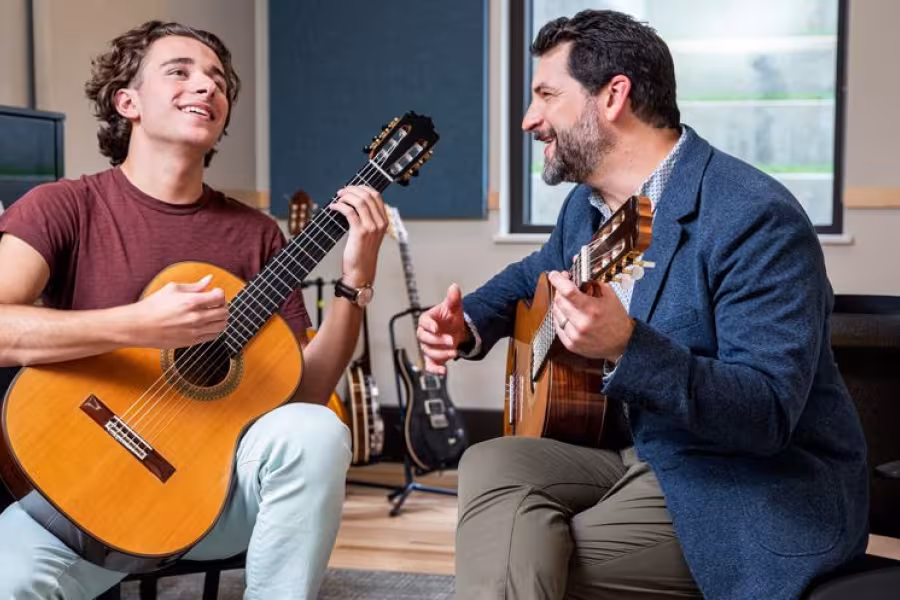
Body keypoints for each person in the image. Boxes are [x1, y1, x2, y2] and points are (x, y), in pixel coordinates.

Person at [418, 9, 868, 600]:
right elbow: (535, 274)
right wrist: (469, 321)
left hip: (747, 481)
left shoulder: (754, 217)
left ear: (614, 96)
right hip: (636, 452)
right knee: (492, 462)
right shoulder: (588, 209)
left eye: (547, 95)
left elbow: (767, 413)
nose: (530, 120)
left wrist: (628, 347)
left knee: (535, 559)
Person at [0, 20, 388, 599]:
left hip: (208, 494)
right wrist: (137, 324)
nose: (206, 87)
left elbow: (302, 394)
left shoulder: (256, 235)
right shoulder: (61, 207)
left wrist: (356, 283)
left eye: (217, 81)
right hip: (78, 485)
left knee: (316, 429)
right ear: (126, 101)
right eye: (179, 72)